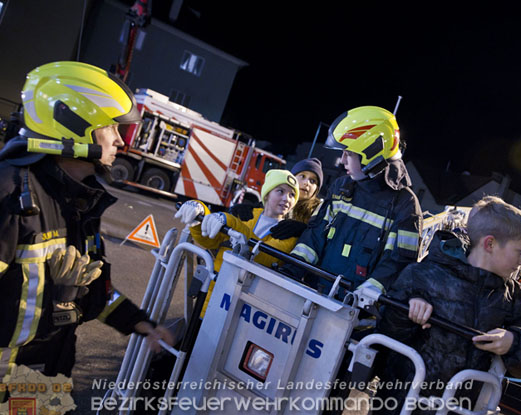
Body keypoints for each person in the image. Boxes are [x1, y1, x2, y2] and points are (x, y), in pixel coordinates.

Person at [0, 61, 174, 415]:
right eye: (112, 127)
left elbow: (96, 290)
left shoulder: (77, 203)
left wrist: (143, 325)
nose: (122, 142)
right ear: (71, 121)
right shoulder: (6, 197)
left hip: (43, 388)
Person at [367, 196, 521, 415]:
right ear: (490, 244)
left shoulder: (516, 299)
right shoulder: (421, 276)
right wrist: (405, 311)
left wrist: (515, 342)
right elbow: (384, 336)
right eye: (520, 252)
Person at [288, 105, 422, 299]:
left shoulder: (406, 206)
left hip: (354, 318)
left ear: (372, 153)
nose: (342, 161)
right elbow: (314, 238)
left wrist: (360, 300)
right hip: (312, 296)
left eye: (348, 154)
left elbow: (397, 266)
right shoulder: (342, 186)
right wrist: (293, 268)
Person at [174, 169, 301, 315]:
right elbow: (210, 240)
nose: (287, 199)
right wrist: (199, 214)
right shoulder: (246, 214)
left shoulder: (290, 233)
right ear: (267, 194)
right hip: (211, 292)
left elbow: (264, 257)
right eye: (280, 191)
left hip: (244, 309)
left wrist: (230, 222)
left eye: (292, 195)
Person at [290, 157, 324, 224]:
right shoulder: (275, 200)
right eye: (302, 176)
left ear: (316, 189)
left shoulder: (318, 214)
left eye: (312, 181)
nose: (306, 183)